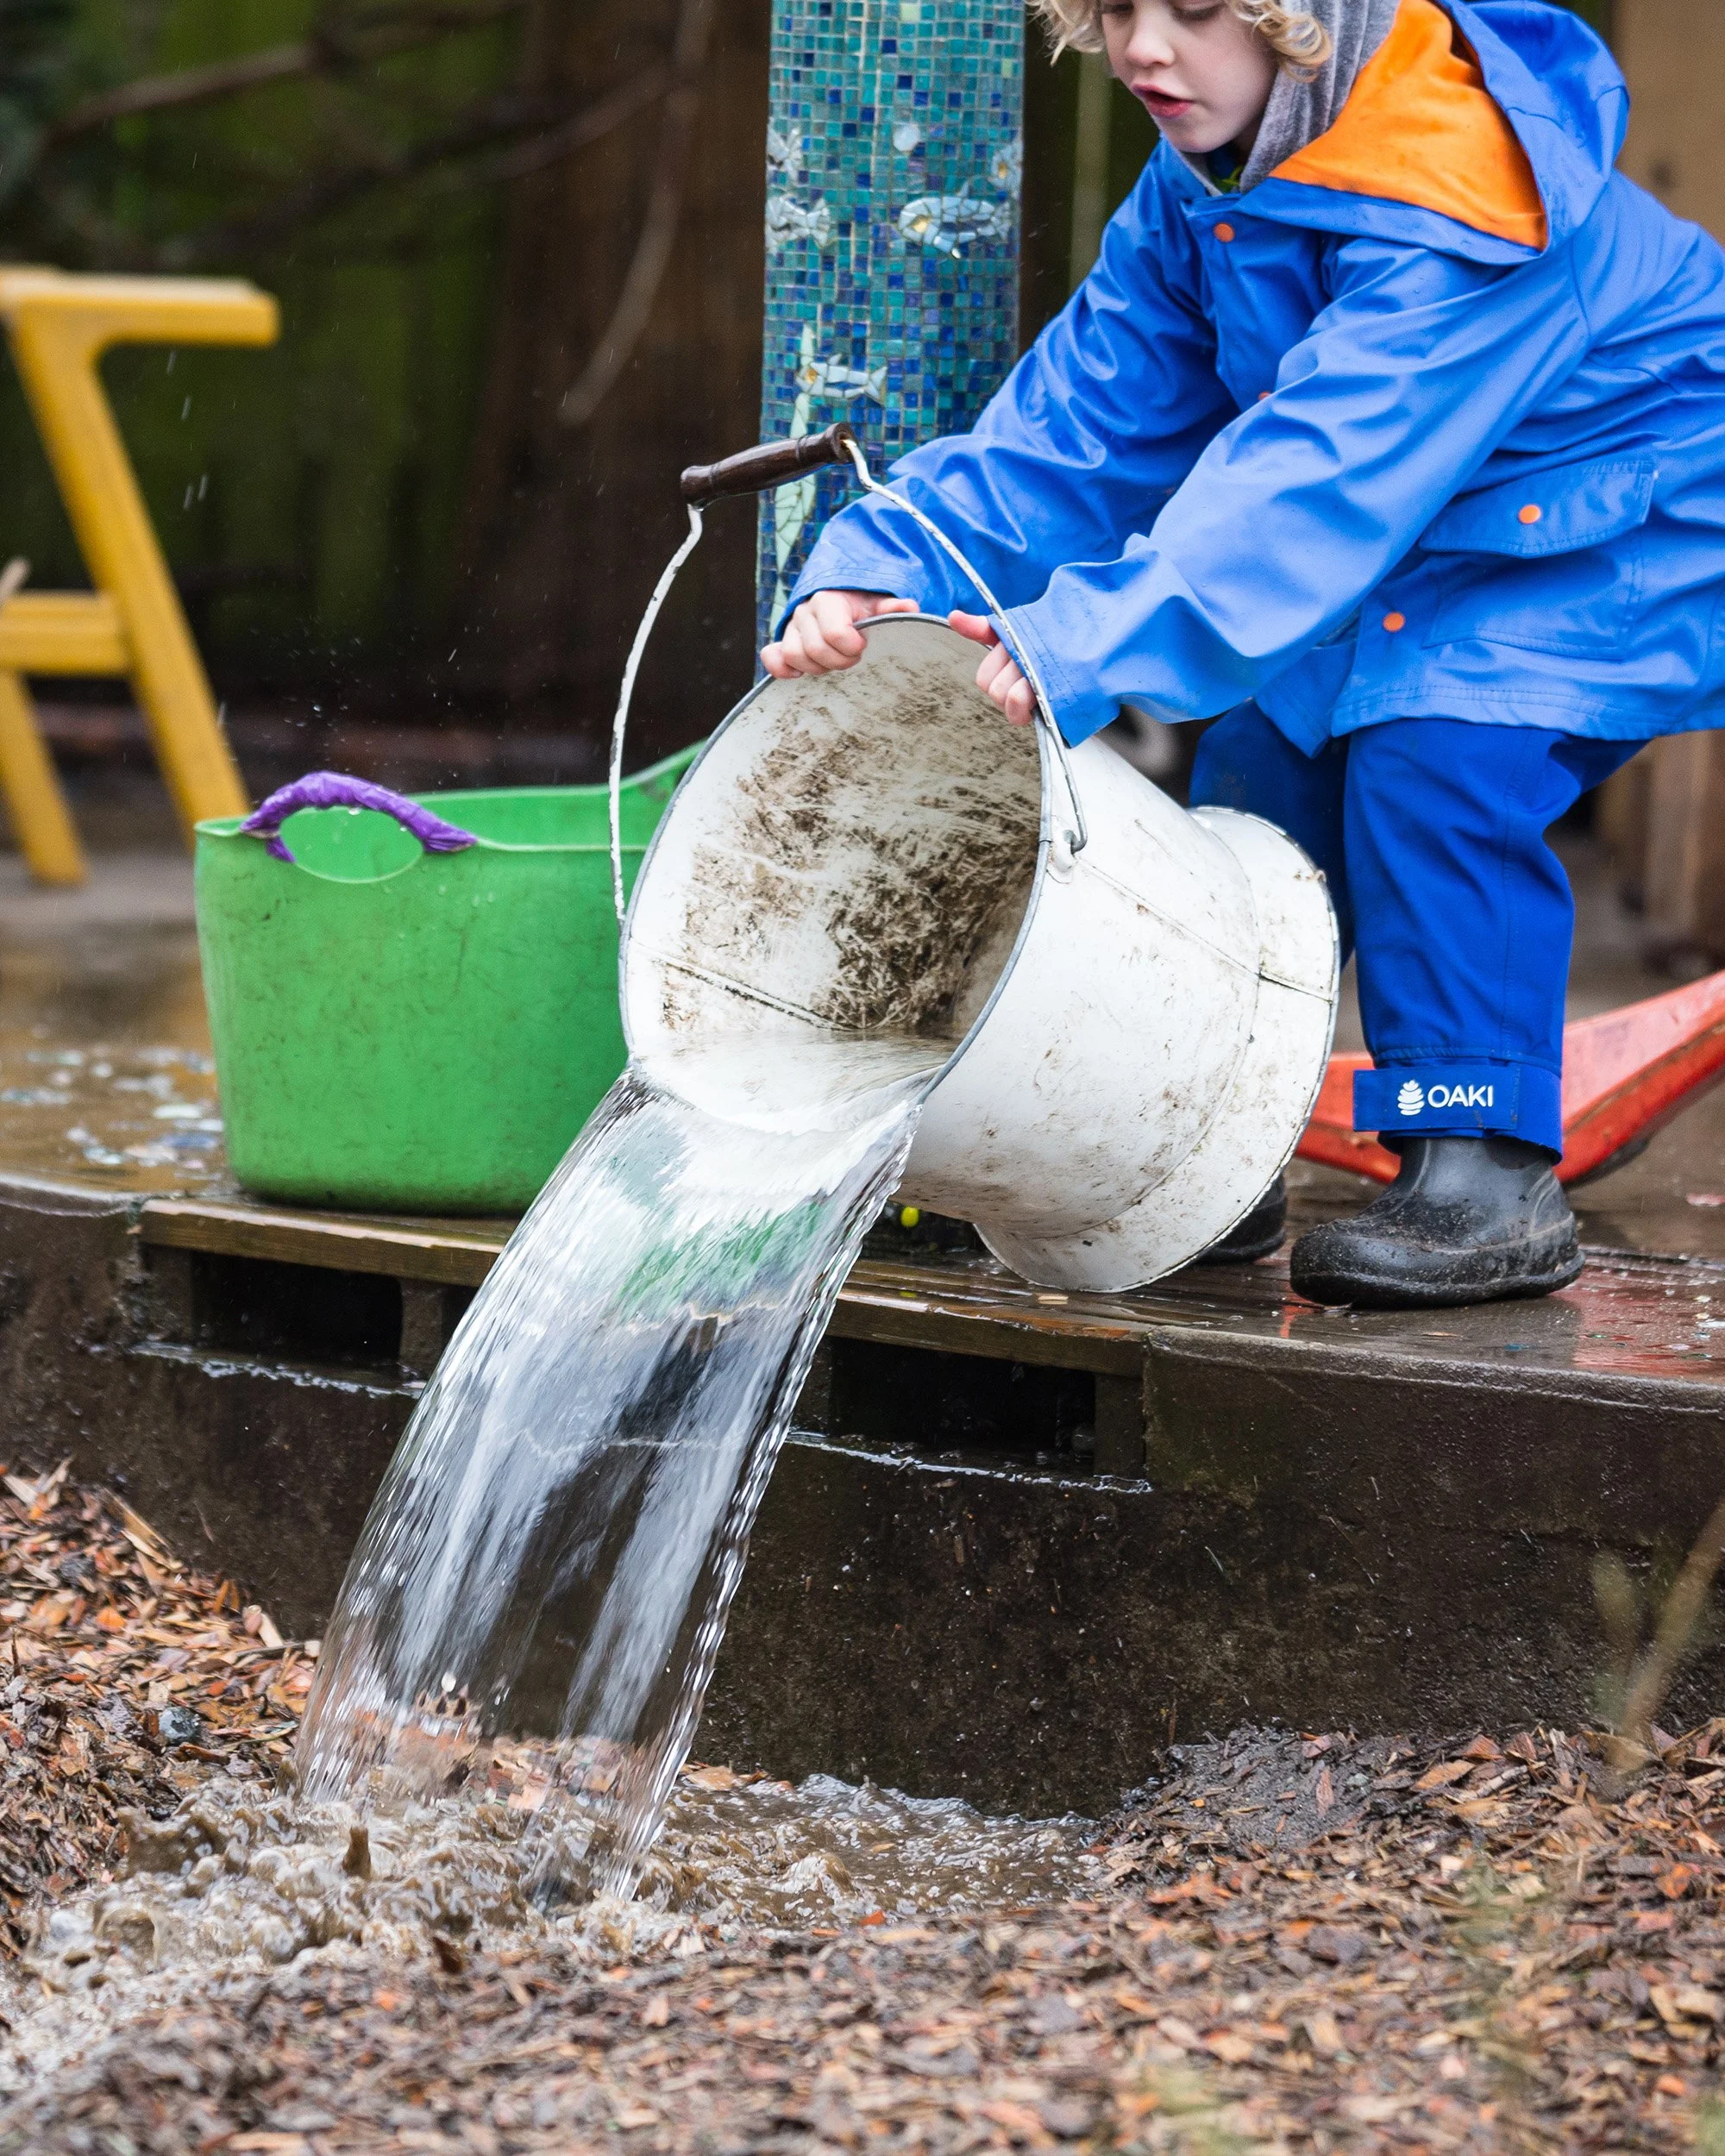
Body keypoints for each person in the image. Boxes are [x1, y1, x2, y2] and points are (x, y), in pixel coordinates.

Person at [758, 0, 1725, 1312]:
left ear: (1300, 17)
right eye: (1115, 12)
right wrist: (893, 559)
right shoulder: (1202, 184)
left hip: (1622, 511)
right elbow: (1082, 427)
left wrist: (1084, 635)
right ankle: (1216, 1144)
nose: (1145, 49)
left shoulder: (1460, 188)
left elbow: (1310, 486)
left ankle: (1483, 1158)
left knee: (1437, 753)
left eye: (1196, 10)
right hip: (1432, 513)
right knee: (1267, 755)